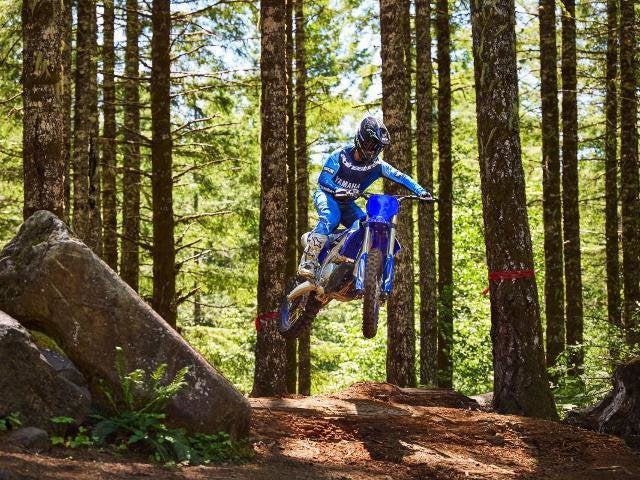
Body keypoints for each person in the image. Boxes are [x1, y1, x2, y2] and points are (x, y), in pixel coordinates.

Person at [298, 116, 433, 279]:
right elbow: (323, 179)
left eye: (377, 147)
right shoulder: (340, 155)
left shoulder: (378, 165)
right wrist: (336, 189)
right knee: (330, 218)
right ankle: (308, 262)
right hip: (327, 195)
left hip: (348, 204)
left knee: (365, 224)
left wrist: (421, 192)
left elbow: (401, 176)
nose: (372, 150)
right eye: (370, 145)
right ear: (360, 139)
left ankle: (344, 258)